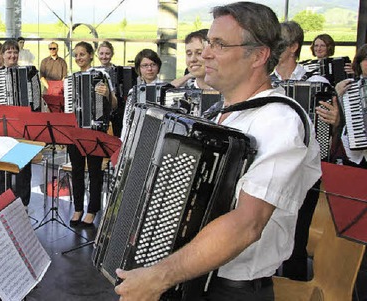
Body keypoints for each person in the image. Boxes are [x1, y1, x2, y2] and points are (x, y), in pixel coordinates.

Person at [115, 3, 321, 300]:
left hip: (231, 291)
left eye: (219, 44)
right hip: (188, 276)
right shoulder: (219, 115)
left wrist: (158, 277)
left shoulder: (280, 121)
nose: (206, 53)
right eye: (209, 42)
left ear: (259, 55)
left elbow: (247, 224)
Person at [271, 20, 331, 282]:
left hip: (305, 171)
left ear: (294, 46)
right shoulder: (264, 80)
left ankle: (293, 287)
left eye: (278, 43)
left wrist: (335, 120)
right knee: (268, 234)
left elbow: (328, 127)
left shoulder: (315, 81)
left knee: (298, 236)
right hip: (273, 167)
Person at [68, 41, 117, 227]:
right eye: (76, 55)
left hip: (95, 129)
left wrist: (106, 95)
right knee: (77, 170)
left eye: (82, 54)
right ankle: (78, 208)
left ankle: (92, 209)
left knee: (95, 171)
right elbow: (70, 105)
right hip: (76, 130)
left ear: (90, 55)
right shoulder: (71, 78)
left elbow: (114, 105)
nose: (79, 58)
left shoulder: (102, 75)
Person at [0, 40, 33, 207]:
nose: (12, 55)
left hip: (23, 128)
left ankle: (23, 205)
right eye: (9, 52)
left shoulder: (28, 74)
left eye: (15, 52)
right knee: (3, 169)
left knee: (23, 170)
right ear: (2, 55)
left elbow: (35, 100)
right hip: (3, 128)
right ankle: (3, 205)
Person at [324, 44, 367, 168]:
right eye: (365, 59)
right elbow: (335, 119)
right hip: (353, 152)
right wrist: (336, 95)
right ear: (358, 63)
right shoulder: (348, 87)